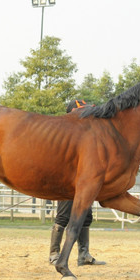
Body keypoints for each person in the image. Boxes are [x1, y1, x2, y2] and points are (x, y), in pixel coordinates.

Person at [49, 99, 106, 267]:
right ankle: (54, 253)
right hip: (67, 183)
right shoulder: (63, 133)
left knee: (86, 217)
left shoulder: (87, 136)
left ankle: (84, 254)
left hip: (83, 183)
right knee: (63, 216)